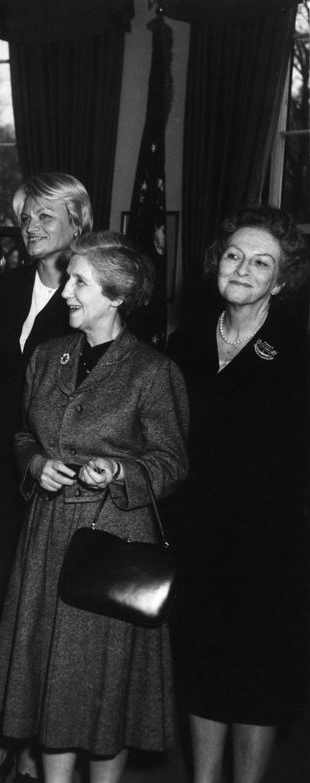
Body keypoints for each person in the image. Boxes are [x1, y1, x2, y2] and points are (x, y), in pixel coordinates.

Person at [0, 232, 188, 783]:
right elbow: (24, 435)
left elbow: (171, 462)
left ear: (117, 295)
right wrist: (34, 464)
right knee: (52, 684)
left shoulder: (153, 371)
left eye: (79, 282)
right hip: (48, 535)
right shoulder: (48, 355)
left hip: (113, 544)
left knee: (105, 690)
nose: (67, 291)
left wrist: (121, 471)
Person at [166, 206, 310, 783]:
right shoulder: (184, 343)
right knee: (201, 665)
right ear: (216, 265)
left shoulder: (299, 347)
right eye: (234, 256)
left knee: (258, 676)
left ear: (281, 279)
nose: (244, 269)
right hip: (196, 537)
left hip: (274, 544)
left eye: (261, 262)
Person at [0, 173, 91, 783]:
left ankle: (40, 748)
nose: (31, 227)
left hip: (55, 477)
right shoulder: (9, 286)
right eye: (26, 217)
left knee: (44, 614)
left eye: (46, 216)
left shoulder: (93, 289)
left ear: (78, 223)